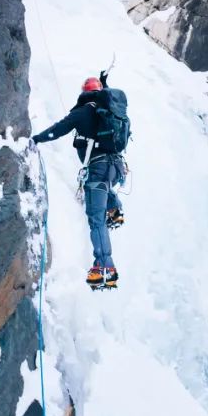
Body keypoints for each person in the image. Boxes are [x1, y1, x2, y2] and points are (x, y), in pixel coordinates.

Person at [32, 75, 128, 289]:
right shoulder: (111, 110)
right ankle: (115, 209)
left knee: (96, 220)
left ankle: (105, 268)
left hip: (99, 169)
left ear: (84, 92)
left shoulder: (83, 111)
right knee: (104, 189)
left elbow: (58, 129)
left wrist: (36, 139)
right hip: (116, 168)